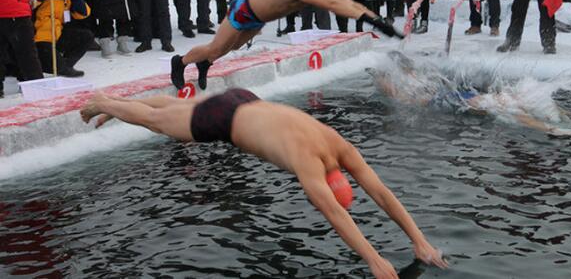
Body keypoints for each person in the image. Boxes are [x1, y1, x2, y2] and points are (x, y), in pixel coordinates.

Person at [80, 87, 448, 279]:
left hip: (243, 101)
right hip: (227, 122)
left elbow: (381, 193)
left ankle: (114, 102)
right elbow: (336, 214)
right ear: (333, 179)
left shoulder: (340, 146)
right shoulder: (310, 165)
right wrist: (373, 260)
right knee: (157, 123)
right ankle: (106, 106)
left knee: (177, 108)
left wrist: (419, 241)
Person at [170, 0, 397, 91]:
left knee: (233, 48)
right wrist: (369, 20)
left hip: (257, 19)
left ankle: (204, 64)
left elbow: (347, 3)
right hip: (242, 11)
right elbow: (330, 4)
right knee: (215, 48)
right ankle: (180, 62)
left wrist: (375, 19)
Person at [369, 51, 571, 137]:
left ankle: (552, 128)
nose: (382, 83)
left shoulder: (405, 89)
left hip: (454, 99)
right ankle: (569, 116)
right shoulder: (419, 77)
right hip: (457, 95)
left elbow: (419, 100)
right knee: (507, 99)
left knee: (502, 107)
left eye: (384, 78)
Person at [34, 0, 93, 77]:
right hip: (40, 37)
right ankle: (60, 67)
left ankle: (66, 65)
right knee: (56, 64)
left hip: (58, 34)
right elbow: (32, 2)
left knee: (86, 36)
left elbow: (83, 14)